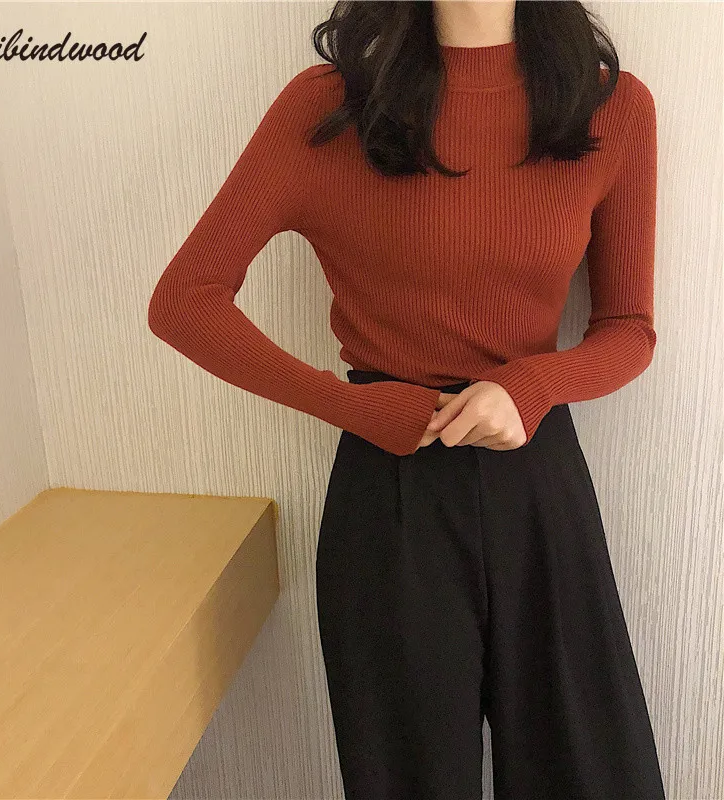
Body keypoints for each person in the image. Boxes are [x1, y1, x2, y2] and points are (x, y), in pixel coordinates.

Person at [147, 0, 666, 797]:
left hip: (539, 484)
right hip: (389, 491)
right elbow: (185, 300)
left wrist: (533, 385)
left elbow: (629, 328)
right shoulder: (328, 108)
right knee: (409, 778)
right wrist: (356, 407)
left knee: (588, 769)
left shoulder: (610, 106)